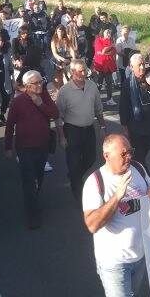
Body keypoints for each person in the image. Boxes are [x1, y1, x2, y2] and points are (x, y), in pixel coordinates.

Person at [82, 133, 150, 297]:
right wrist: (117, 196)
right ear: (106, 156)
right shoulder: (95, 181)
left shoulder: (138, 168)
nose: (129, 156)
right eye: (123, 154)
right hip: (115, 263)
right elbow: (92, 225)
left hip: (140, 255)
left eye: (130, 151)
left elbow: (149, 188)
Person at [4, 69, 59, 229]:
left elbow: (55, 114)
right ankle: (32, 213)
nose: (40, 85)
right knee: (28, 180)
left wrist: (40, 104)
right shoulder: (18, 101)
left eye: (41, 81)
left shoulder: (44, 96)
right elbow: (10, 125)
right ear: (27, 86)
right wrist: (8, 147)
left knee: (39, 176)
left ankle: (34, 196)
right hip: (25, 147)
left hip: (42, 145)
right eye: (36, 83)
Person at [56, 59, 106, 203]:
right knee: (74, 162)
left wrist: (103, 127)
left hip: (89, 129)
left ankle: (74, 176)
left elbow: (98, 109)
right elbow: (58, 117)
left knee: (91, 158)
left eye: (85, 70)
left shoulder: (92, 86)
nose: (84, 73)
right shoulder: (64, 91)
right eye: (80, 71)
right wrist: (61, 137)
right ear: (72, 73)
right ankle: (78, 191)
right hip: (72, 130)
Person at [118, 53, 150, 171]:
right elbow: (123, 107)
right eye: (139, 65)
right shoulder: (127, 84)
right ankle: (145, 179)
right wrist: (125, 128)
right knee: (139, 158)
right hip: (136, 127)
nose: (142, 67)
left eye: (143, 64)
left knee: (144, 152)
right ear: (132, 67)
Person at [93, 27, 118, 107]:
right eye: (107, 32)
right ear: (102, 32)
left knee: (109, 82)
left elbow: (113, 52)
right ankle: (94, 99)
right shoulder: (98, 40)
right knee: (99, 83)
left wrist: (106, 51)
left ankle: (109, 99)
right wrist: (110, 47)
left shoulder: (110, 41)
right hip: (101, 64)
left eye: (109, 33)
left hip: (109, 65)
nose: (108, 34)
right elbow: (101, 50)